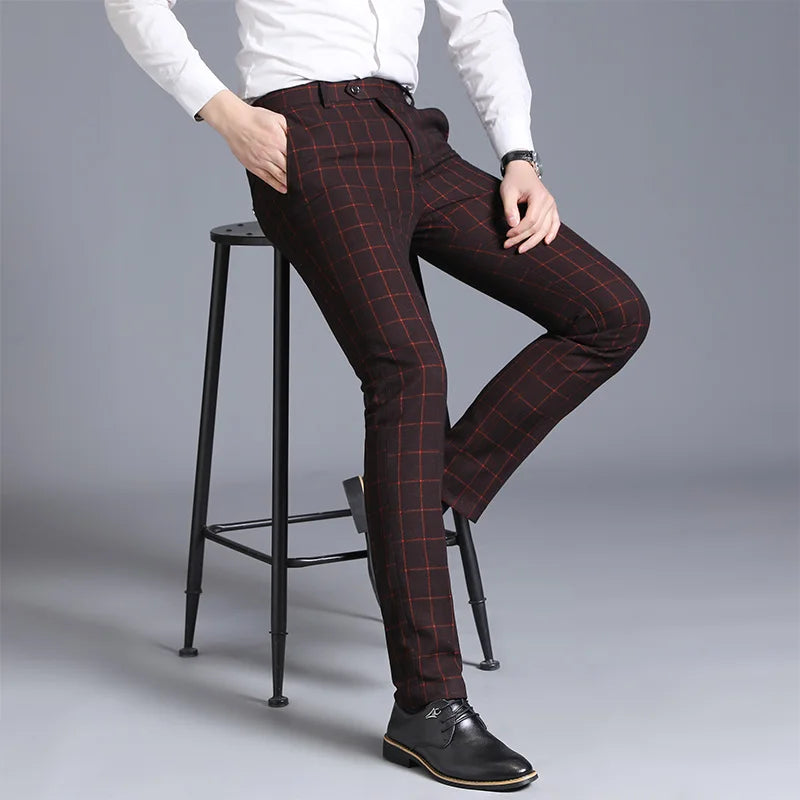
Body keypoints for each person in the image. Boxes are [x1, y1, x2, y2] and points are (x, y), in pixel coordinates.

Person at [104, 0, 650, 790]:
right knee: (411, 371)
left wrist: (519, 155)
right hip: (308, 139)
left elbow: (478, 16)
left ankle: (404, 491)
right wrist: (221, 111)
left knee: (609, 313)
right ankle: (427, 706)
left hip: (415, 137)